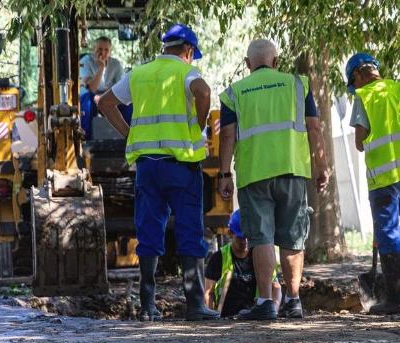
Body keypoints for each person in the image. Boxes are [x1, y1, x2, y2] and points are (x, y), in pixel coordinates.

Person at [98, 24, 219, 321]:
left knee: (149, 231)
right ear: (188, 51)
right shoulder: (184, 72)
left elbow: (105, 103)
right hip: (181, 167)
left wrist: (130, 135)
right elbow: (203, 92)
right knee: (190, 230)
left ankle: (148, 306)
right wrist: (198, 126)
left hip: (148, 168)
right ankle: (195, 305)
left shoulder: (140, 73)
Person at [218, 38, 329, 321]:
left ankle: (266, 301)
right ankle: (293, 301)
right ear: (276, 62)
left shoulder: (235, 92)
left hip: (254, 174)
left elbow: (227, 134)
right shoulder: (297, 84)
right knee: (292, 236)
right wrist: (321, 166)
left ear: (247, 64)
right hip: (292, 171)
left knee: (262, 237)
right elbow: (314, 128)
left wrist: (224, 173)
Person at [346, 53, 400, 315]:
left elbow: (360, 141)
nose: (354, 88)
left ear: (357, 75)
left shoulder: (364, 96)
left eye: (352, 83)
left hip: (383, 178)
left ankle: (396, 300)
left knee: (389, 232)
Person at [203, 209, 282, 317]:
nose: (245, 241)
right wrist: (211, 317)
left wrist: (274, 310)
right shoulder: (219, 258)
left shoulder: (260, 256)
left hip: (254, 317)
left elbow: (276, 287)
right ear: (231, 233)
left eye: (247, 237)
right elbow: (208, 293)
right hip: (226, 317)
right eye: (240, 237)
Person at [79, 36, 127, 139]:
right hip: (90, 96)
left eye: (106, 50)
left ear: (110, 51)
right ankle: (86, 140)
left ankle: (128, 137)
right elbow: (91, 87)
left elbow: (121, 89)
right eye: (100, 49)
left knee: (128, 104)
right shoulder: (85, 62)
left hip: (108, 97)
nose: (103, 53)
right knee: (87, 102)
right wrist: (101, 67)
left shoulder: (116, 64)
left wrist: (104, 97)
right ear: (93, 49)